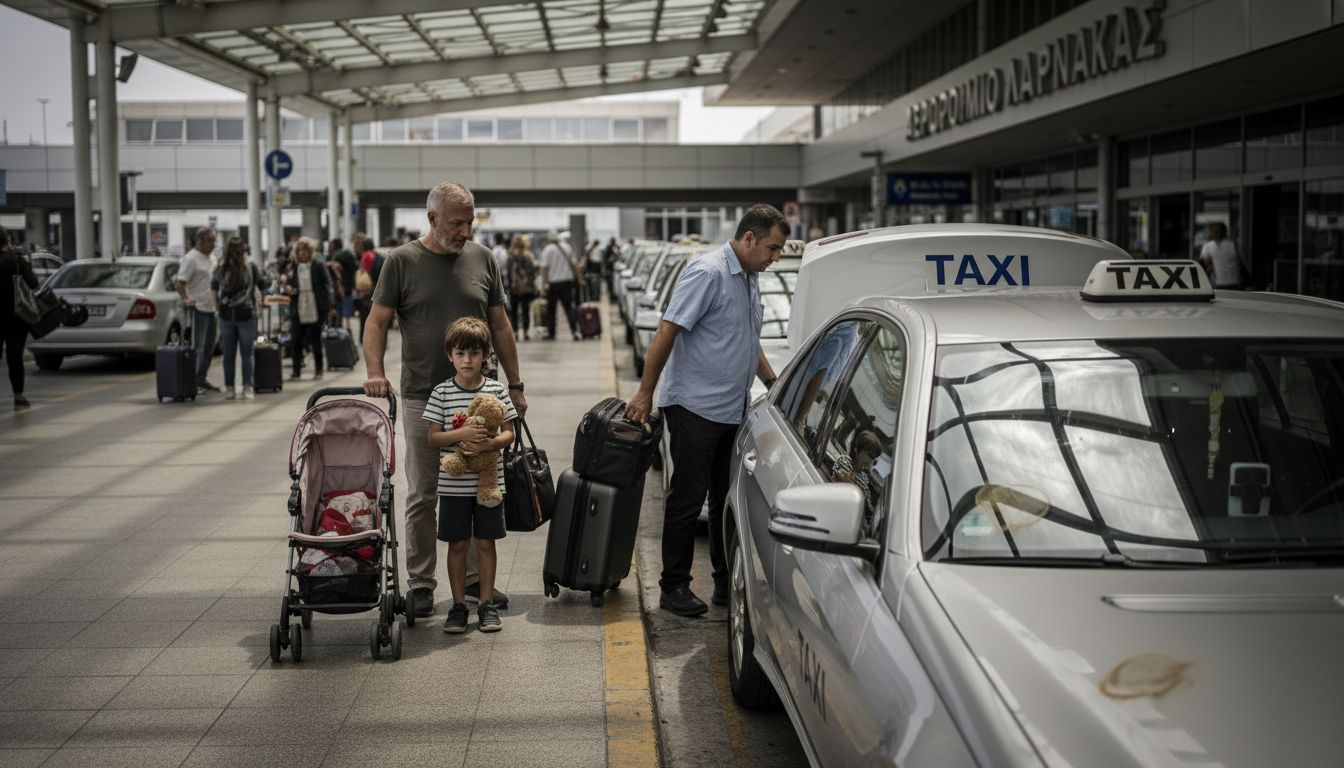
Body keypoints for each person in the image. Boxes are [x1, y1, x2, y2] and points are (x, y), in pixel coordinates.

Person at [362, 180, 527, 619]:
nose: (465, 231)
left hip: (478, 398)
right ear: (431, 219)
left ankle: (475, 582)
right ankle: (420, 582)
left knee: (476, 485)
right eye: (456, 223)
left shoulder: (483, 259)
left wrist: (515, 384)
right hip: (423, 396)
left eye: (469, 222)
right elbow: (376, 322)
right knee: (424, 493)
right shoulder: (401, 262)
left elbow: (501, 325)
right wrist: (375, 373)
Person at [625, 204, 786, 617]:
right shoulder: (708, 272)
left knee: (723, 500)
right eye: (772, 248)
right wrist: (644, 394)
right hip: (695, 407)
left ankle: (722, 582)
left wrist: (774, 385)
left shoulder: (749, 279)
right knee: (687, 499)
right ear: (748, 238)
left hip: (731, 410)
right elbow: (667, 329)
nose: (775, 258)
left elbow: (750, 342)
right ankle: (673, 586)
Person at [425, 317, 518, 633]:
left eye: (475, 354)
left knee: (485, 542)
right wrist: (461, 434)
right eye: (461, 353)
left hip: (489, 486)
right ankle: (458, 605)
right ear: (450, 355)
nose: (467, 360)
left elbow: (509, 433)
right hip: (453, 484)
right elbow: (433, 437)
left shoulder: (496, 390)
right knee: (458, 544)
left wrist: (490, 443)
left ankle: (487, 604)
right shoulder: (441, 393)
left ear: (486, 355)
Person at [211, 236, 271, 400]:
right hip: (247, 315)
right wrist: (264, 298)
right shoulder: (250, 266)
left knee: (228, 354)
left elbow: (214, 290)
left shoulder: (220, 268)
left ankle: (230, 388)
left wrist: (217, 308)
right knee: (247, 353)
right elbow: (263, 285)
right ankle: (247, 387)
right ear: (243, 249)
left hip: (226, 316)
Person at [176, 227, 221, 393]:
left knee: (210, 347)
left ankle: (201, 378)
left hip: (212, 309)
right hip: (198, 309)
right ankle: (192, 381)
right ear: (200, 241)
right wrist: (188, 299)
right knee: (198, 347)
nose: (213, 244)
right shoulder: (190, 259)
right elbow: (180, 284)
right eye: (210, 240)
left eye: (214, 240)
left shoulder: (212, 258)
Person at [284, 236, 333, 381]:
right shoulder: (293, 266)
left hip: (315, 305)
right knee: (296, 340)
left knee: (315, 340)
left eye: (305, 250)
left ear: (310, 251)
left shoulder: (318, 265)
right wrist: (289, 288)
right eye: (299, 250)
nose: (302, 253)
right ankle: (296, 371)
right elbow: (288, 283)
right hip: (298, 306)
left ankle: (319, 370)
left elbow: (328, 284)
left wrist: (330, 305)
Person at [0, 232, 39, 409]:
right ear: (7, 240)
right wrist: (27, 267)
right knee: (15, 356)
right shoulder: (16, 259)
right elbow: (33, 283)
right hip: (15, 315)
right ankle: (19, 397)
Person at [540, 231, 580, 340]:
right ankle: (574, 331)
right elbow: (574, 264)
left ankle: (552, 333)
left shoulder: (548, 249)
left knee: (551, 309)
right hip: (567, 282)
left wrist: (543, 285)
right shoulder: (566, 247)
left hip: (553, 283)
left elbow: (545, 269)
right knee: (568, 308)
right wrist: (579, 279)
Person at [506, 234, 540, 340]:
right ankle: (525, 332)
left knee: (514, 311)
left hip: (514, 288)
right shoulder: (528, 256)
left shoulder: (510, 256)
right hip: (526, 288)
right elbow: (534, 272)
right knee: (526, 310)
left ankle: (515, 332)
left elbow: (507, 273)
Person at [1200, 222, 1242, 289]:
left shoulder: (1209, 246)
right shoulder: (1233, 244)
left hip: (1225, 284)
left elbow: (1205, 267)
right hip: (1231, 283)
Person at [329, 238, 358, 330]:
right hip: (349, 286)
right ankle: (347, 327)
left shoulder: (336, 256)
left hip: (339, 287)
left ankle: (338, 328)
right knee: (347, 309)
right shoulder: (349, 254)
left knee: (339, 308)